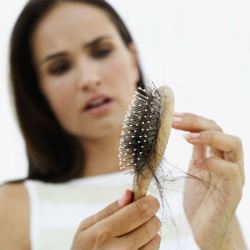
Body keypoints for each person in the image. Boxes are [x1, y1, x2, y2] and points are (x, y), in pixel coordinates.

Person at [0, 0, 246, 249]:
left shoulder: (203, 194)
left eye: (101, 51)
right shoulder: (15, 208)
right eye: (60, 67)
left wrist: (220, 241)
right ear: (39, 91)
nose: (89, 78)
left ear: (132, 58)